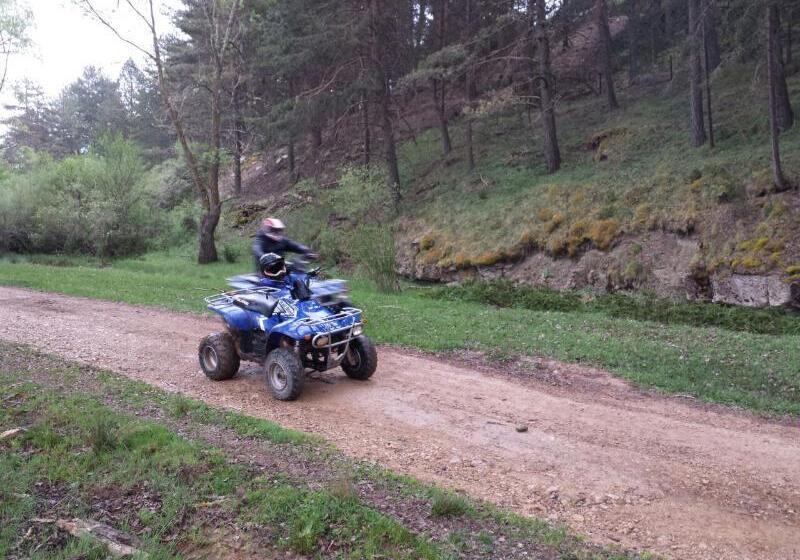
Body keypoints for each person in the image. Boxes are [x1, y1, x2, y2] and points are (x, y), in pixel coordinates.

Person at [252, 217, 316, 269]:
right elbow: (257, 249)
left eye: (279, 230)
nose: (277, 232)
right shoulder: (260, 240)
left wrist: (306, 250)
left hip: (281, 269)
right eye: (275, 230)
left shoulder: (282, 241)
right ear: (268, 229)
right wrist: (264, 256)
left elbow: (295, 246)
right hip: (264, 272)